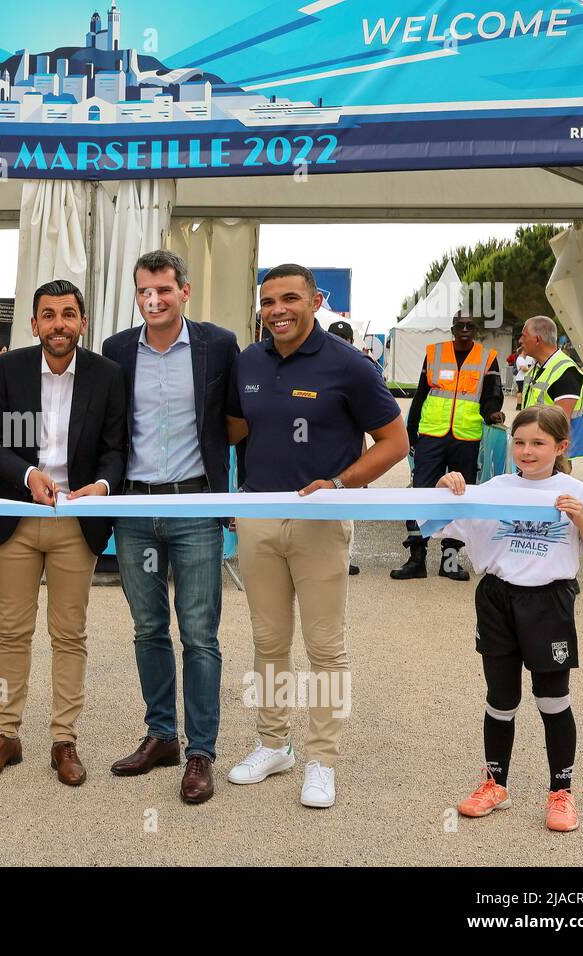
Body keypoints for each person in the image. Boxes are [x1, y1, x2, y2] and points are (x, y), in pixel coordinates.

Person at [225, 264, 408, 809]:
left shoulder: (349, 365)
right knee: (268, 642)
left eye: (289, 299)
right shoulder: (249, 361)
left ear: (314, 301)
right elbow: (234, 428)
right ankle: (272, 744)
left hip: (321, 521)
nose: (277, 310)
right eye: (268, 301)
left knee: (325, 647)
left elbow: (394, 441)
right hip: (258, 515)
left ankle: (321, 760)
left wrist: (339, 482)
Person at [0, 279, 126, 787]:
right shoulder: (12, 369)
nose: (58, 324)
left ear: (82, 321)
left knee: (69, 635)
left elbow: (114, 447)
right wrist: (25, 474)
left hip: (75, 523)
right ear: (34, 323)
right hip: (18, 517)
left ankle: (64, 740)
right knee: (11, 633)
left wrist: (102, 485)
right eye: (48, 314)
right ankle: (6, 734)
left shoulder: (106, 375)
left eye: (68, 314)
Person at [101, 249, 238, 805]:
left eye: (162, 289)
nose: (152, 299)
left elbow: (237, 423)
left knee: (200, 634)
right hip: (134, 509)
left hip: (195, 506)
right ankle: (161, 735)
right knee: (147, 628)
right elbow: (108, 429)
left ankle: (200, 750)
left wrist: (234, 497)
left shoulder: (218, 345)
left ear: (184, 291)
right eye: (142, 291)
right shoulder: (115, 350)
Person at [436, 406, 583, 833]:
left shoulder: (575, 490)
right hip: (498, 599)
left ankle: (562, 791)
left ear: (560, 446)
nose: (527, 451)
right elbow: (441, 523)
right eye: (519, 442)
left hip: (549, 601)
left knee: (552, 698)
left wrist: (579, 518)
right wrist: (445, 489)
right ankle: (495, 784)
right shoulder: (495, 487)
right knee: (500, 698)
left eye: (538, 443)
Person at [391, 313, 504, 582]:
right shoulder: (434, 353)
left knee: (459, 496)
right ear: (452, 329)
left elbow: (492, 395)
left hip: (466, 436)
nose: (464, 330)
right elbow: (421, 393)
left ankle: (450, 560)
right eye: (460, 326)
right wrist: (410, 429)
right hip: (431, 434)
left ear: (475, 330)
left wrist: (492, 414)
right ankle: (416, 558)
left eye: (470, 326)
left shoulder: (487, 357)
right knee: (420, 493)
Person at [326, 319, 366, 576]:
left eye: (345, 339)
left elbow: (362, 427)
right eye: (336, 339)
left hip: (347, 457)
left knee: (345, 514)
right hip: (323, 454)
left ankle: (345, 556)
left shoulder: (356, 373)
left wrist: (364, 467)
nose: (341, 344)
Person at [519, 316, 583, 455]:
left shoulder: (566, 371)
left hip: (554, 457)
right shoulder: (536, 368)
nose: (520, 341)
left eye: (524, 336)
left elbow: (559, 424)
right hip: (534, 451)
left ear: (537, 339)